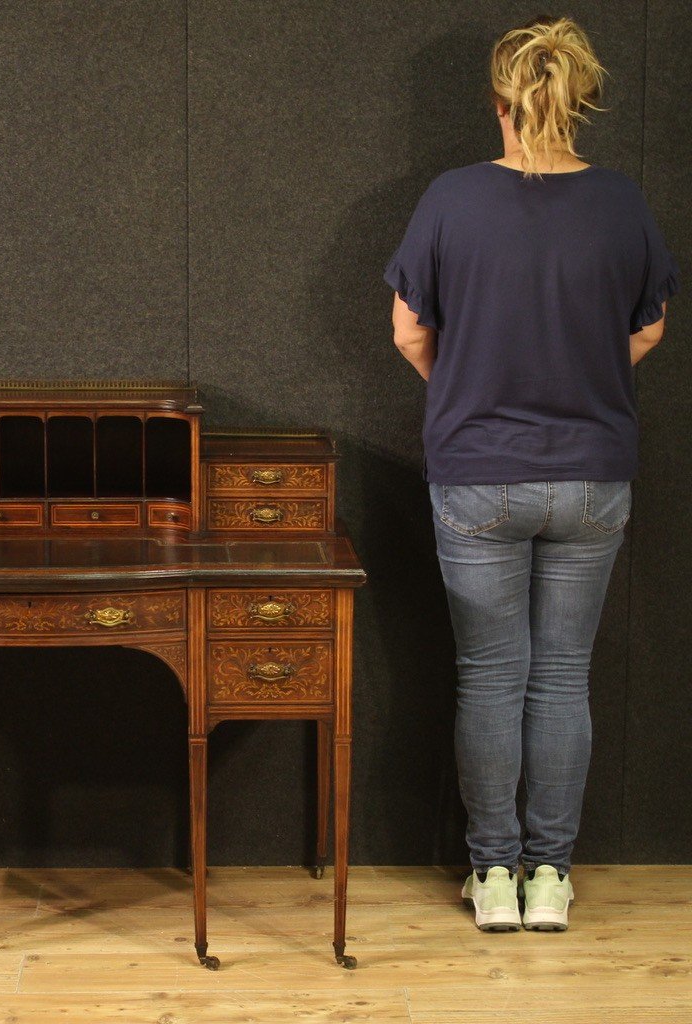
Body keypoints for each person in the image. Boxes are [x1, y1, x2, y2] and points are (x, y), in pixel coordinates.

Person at [382, 14, 679, 932]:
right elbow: (652, 324)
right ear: (577, 99)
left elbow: (406, 331)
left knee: (490, 677)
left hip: (477, 475)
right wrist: (582, 368)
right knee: (561, 679)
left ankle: (496, 879)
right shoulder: (623, 202)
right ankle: (552, 876)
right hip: (593, 477)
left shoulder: (449, 198)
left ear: (500, 104)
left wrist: (471, 381)